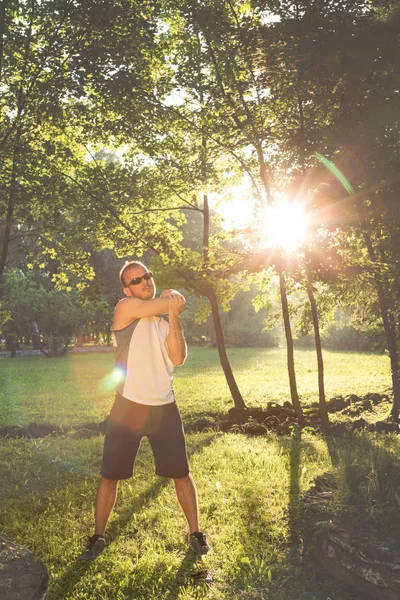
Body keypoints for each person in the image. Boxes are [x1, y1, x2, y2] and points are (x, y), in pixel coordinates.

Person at [78, 261, 210, 561]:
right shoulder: (124, 310)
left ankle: (196, 533)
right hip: (128, 407)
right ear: (127, 289)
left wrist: (173, 316)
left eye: (147, 276)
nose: (144, 282)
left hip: (164, 406)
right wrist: (173, 301)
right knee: (110, 476)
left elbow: (178, 357)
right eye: (136, 280)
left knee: (181, 474)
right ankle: (98, 536)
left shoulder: (164, 323)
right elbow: (176, 300)